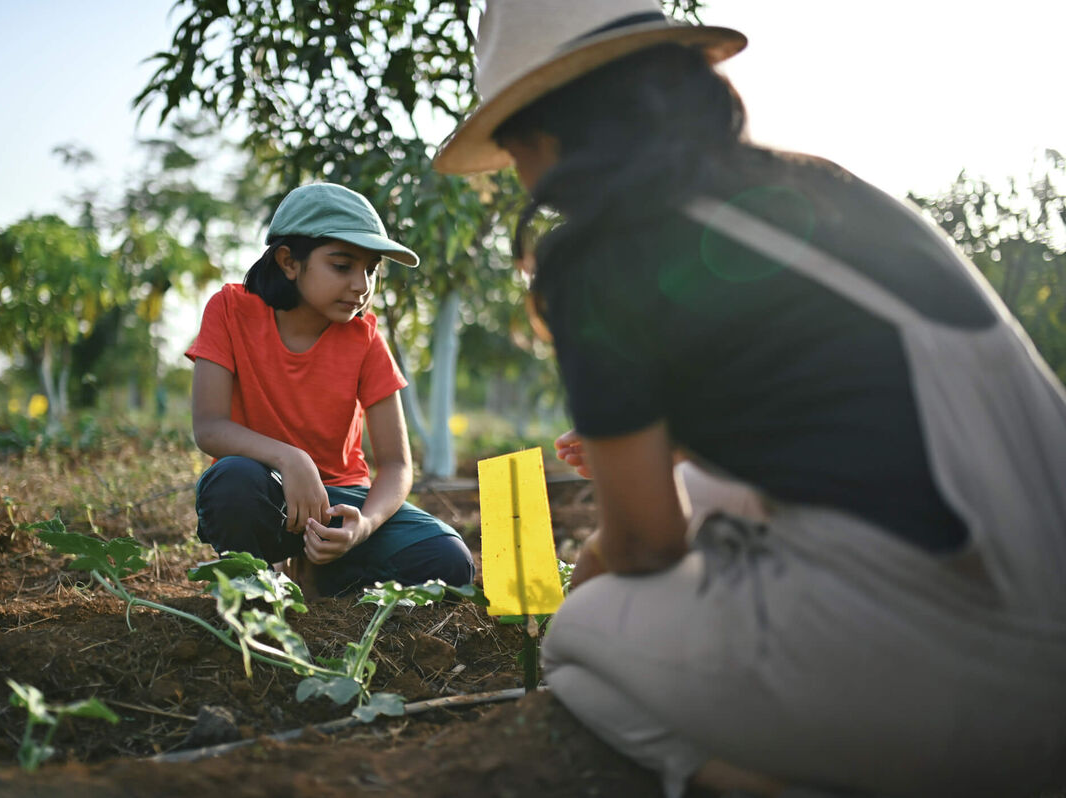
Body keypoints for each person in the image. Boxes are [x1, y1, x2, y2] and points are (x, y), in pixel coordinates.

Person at [434, 2, 1066, 797]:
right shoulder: (821, 186)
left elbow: (648, 545)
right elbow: (838, 409)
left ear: (544, 133)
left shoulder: (600, 256)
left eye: (515, 148)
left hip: (986, 669)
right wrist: (673, 450)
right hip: (1039, 584)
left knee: (577, 644)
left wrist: (590, 578)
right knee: (708, 491)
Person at [186, 182, 474, 598]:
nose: (362, 285)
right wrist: (290, 459)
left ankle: (323, 569)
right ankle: (258, 580)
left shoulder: (366, 340)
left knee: (449, 560)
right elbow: (210, 427)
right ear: (289, 261)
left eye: (371, 269)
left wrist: (363, 526)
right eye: (342, 266)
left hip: (342, 502)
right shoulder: (230, 309)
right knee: (231, 482)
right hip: (266, 492)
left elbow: (396, 464)